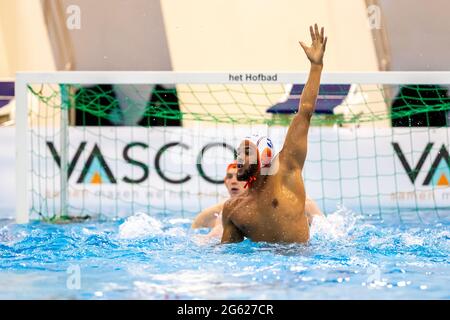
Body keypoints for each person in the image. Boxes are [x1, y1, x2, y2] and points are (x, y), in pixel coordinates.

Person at [221, 24, 327, 244]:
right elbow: (226, 256)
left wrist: (316, 66)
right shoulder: (234, 209)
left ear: (265, 155)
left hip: (303, 263)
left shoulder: (287, 170)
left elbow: (305, 111)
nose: (239, 158)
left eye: (247, 152)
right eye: (239, 153)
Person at [193, 160, 324, 238]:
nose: (234, 181)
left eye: (239, 177)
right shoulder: (219, 212)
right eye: (230, 177)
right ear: (224, 182)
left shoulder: (301, 202)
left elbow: (326, 231)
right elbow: (210, 234)